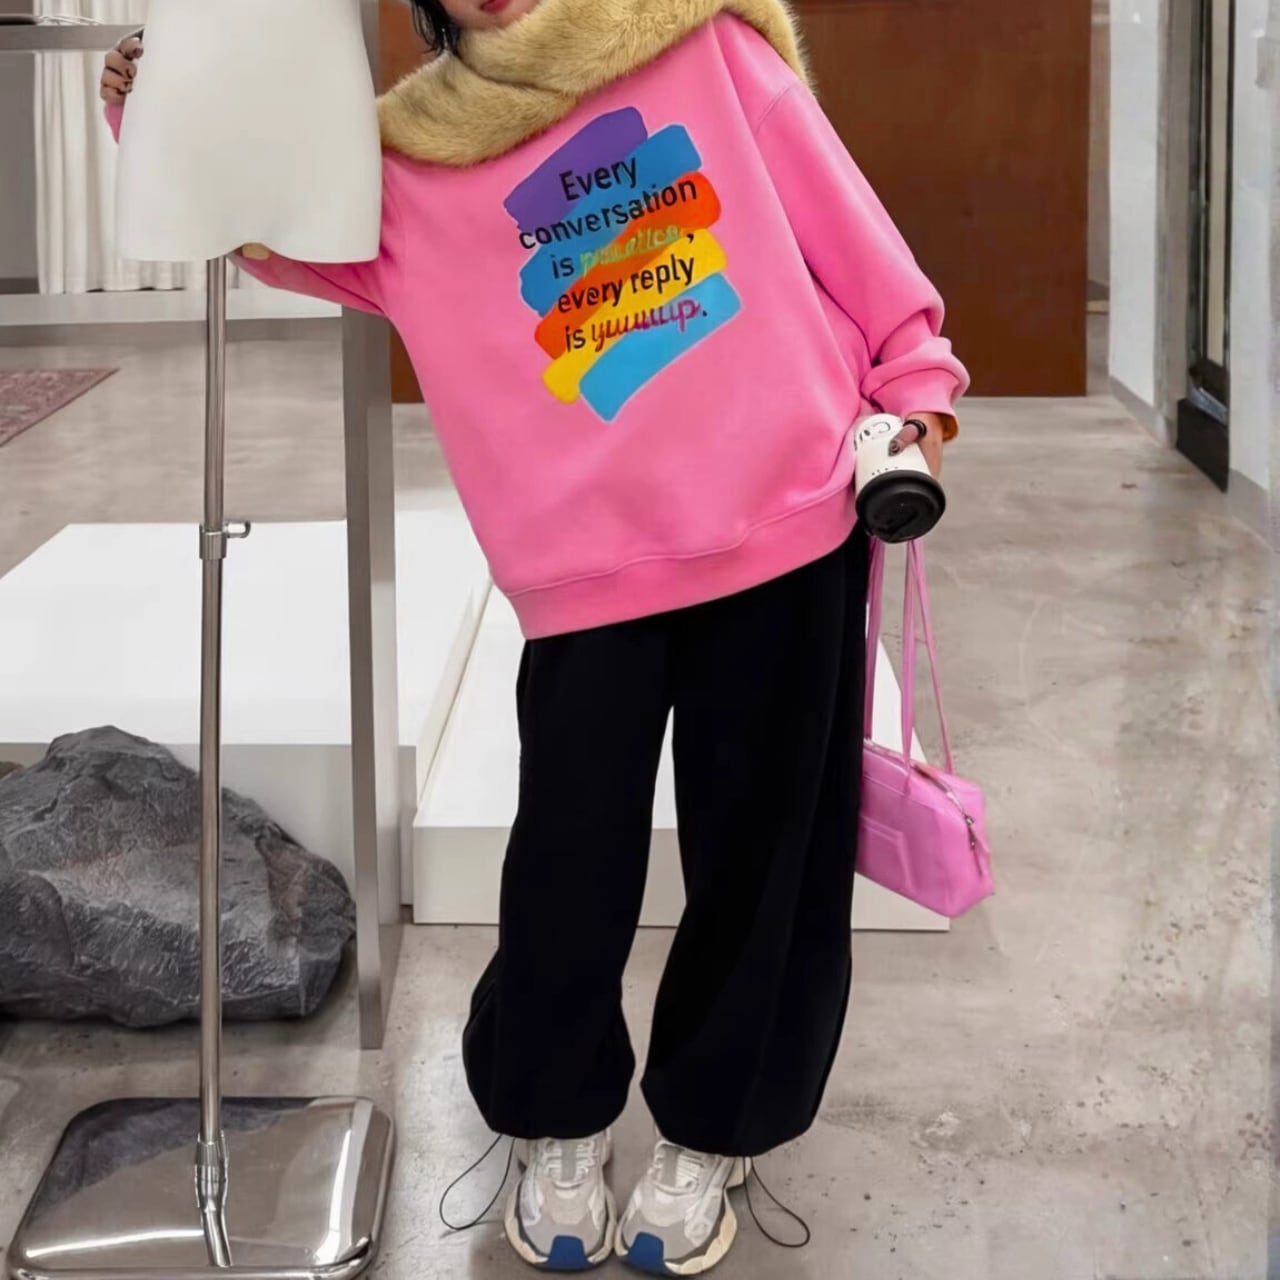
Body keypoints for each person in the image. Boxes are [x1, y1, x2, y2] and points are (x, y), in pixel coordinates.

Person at [103, 1, 967, 1272]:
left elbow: (853, 236)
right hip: (581, 568)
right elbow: (274, 232)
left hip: (785, 521)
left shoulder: (696, 43)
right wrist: (157, 107)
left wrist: (915, 392)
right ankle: (555, 1120)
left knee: (763, 856)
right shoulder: (404, 155)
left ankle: (711, 1130)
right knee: (569, 859)